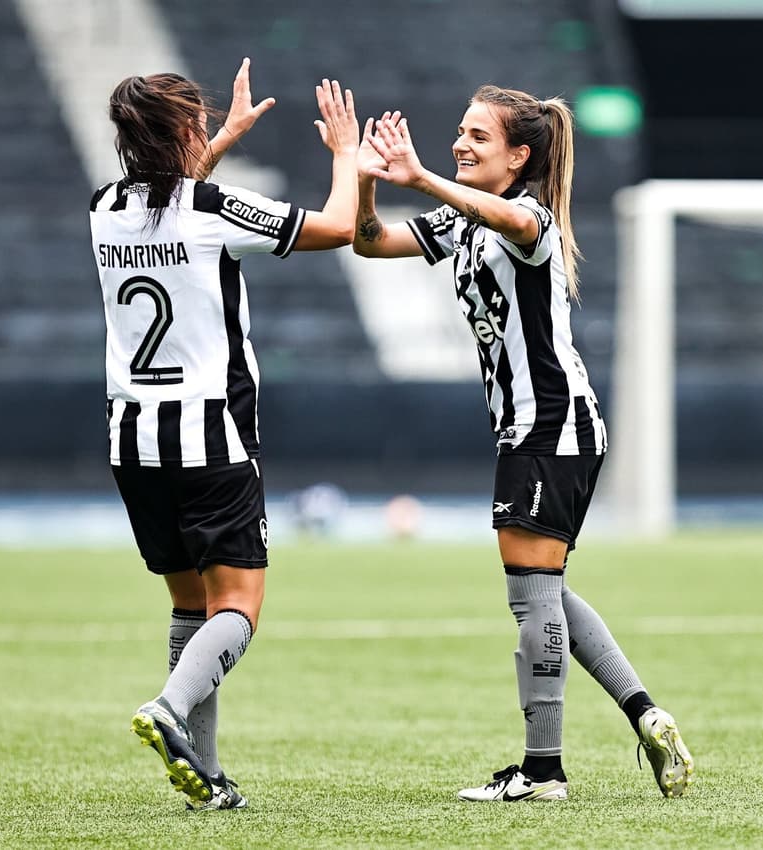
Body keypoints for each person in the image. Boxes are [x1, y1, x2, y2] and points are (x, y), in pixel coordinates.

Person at [353, 86, 693, 801]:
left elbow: (511, 219)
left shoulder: (529, 215)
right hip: (535, 431)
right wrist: (364, 181)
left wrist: (420, 177)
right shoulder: (461, 219)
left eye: (479, 136)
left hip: (552, 427)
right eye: (460, 130)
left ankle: (542, 772)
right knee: (546, 590)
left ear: (519, 156)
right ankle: (645, 713)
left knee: (531, 596)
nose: (460, 142)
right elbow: (371, 242)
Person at [89, 59, 359, 809]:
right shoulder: (214, 209)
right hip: (213, 439)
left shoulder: (103, 208)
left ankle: (204, 778)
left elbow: (169, 201)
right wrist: (346, 154)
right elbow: (338, 227)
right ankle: (170, 709)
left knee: (189, 607)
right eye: (200, 121)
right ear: (184, 128)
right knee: (238, 607)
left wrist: (222, 140)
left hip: (133, 442)